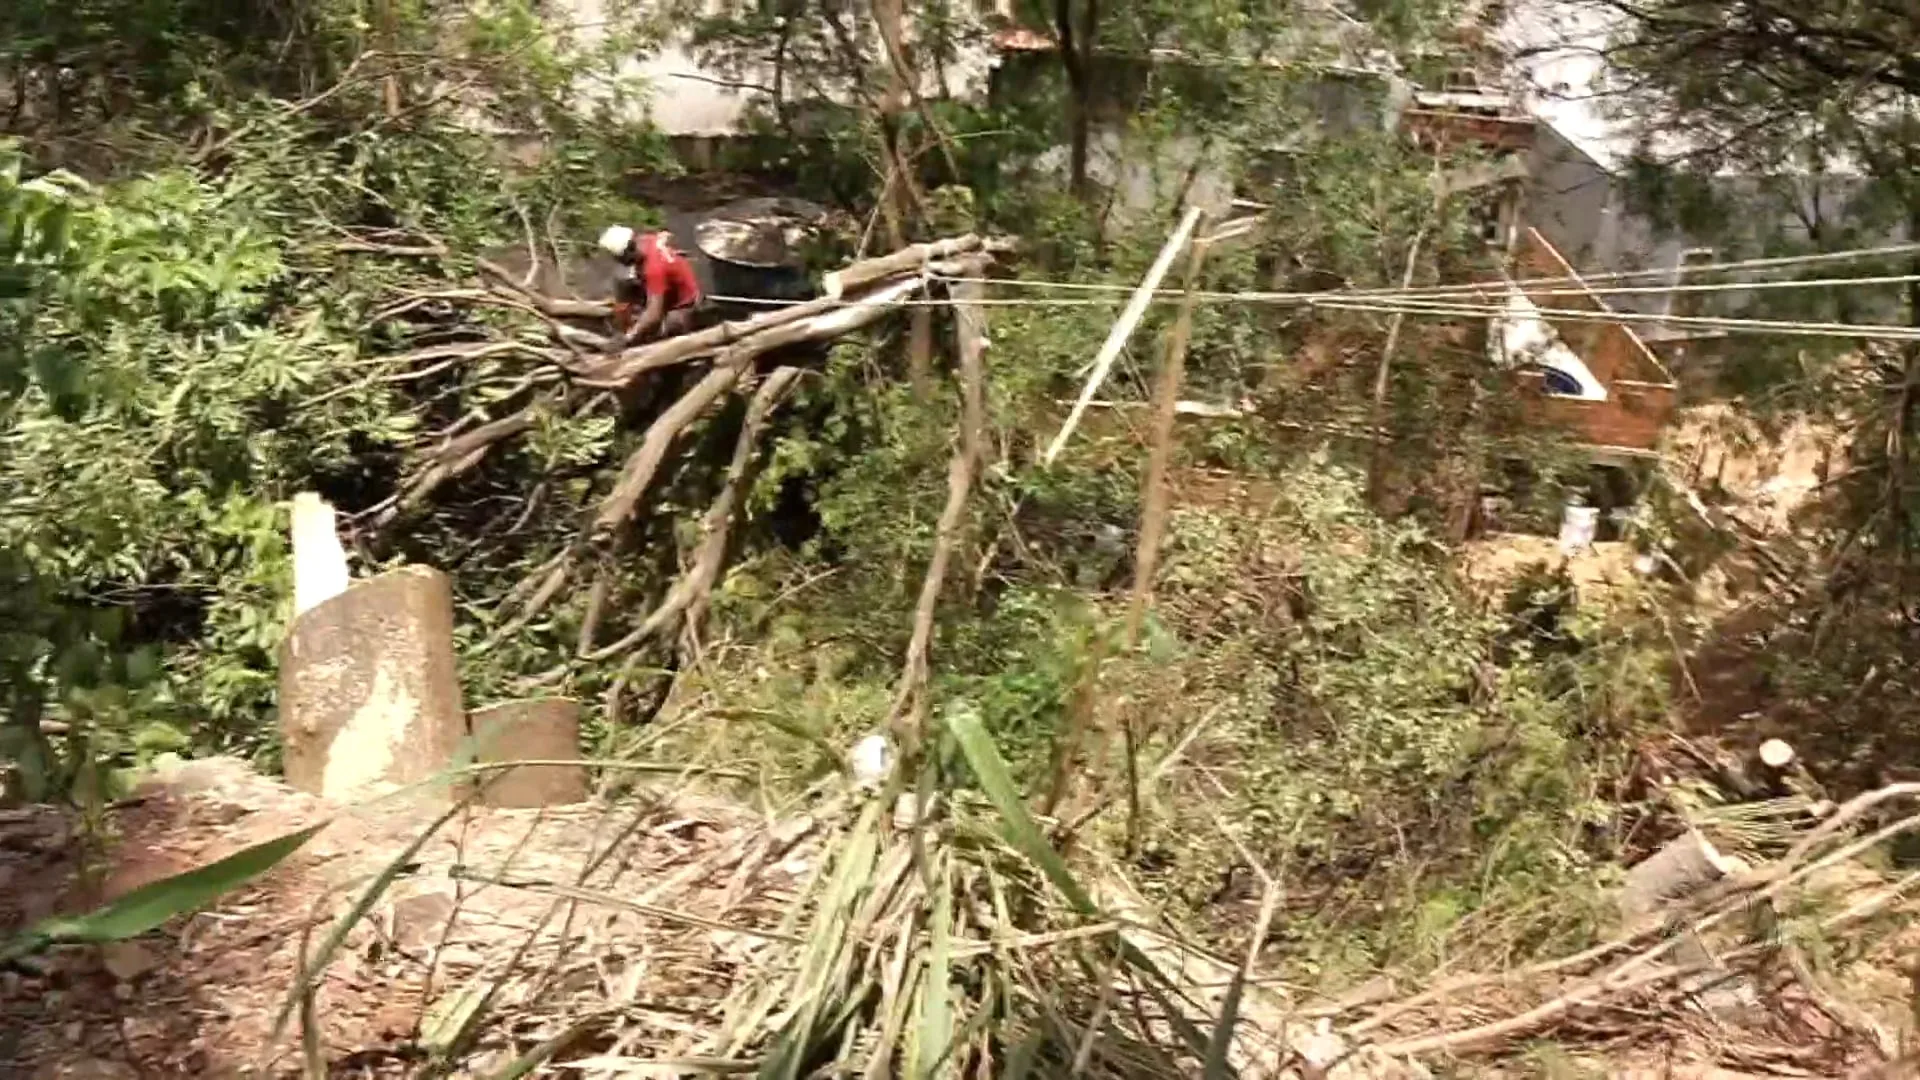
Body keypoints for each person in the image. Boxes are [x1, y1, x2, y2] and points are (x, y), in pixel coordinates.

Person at [598, 225, 704, 348]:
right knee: (623, 285)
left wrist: (629, 337)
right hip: (672, 285)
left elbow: (654, 314)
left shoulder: (653, 270)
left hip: (684, 304)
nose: (617, 261)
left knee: (658, 334)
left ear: (628, 251)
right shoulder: (646, 240)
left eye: (619, 258)